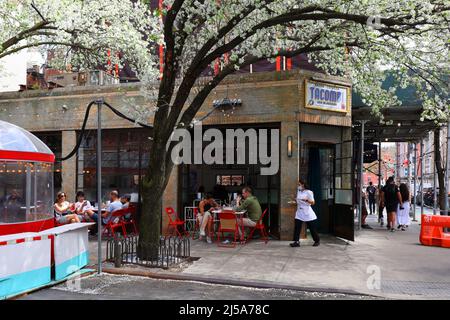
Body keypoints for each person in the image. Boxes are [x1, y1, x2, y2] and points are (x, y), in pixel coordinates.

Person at [290, 178, 320, 247]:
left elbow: (313, 203)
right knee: (297, 227)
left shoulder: (309, 192)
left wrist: (306, 200)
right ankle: (296, 242)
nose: (298, 185)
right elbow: (298, 201)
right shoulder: (299, 191)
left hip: (307, 213)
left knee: (312, 228)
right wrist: (294, 201)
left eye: (299, 184)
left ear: (303, 184)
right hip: (299, 212)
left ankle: (317, 240)